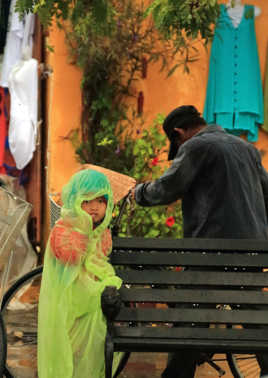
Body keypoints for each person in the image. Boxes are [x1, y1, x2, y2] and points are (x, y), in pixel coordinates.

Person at [132, 105, 268, 378]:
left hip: (212, 254)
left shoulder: (197, 147)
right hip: (251, 253)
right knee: (254, 316)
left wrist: (137, 192)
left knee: (189, 313)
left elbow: (166, 188)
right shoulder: (247, 149)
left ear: (178, 133)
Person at [38, 169, 122, 378]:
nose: (94, 207)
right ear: (75, 201)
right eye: (86, 201)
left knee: (98, 331)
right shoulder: (64, 227)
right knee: (74, 342)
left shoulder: (102, 231)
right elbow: (69, 258)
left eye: (100, 201)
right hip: (70, 296)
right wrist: (83, 231)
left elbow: (102, 260)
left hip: (94, 295)